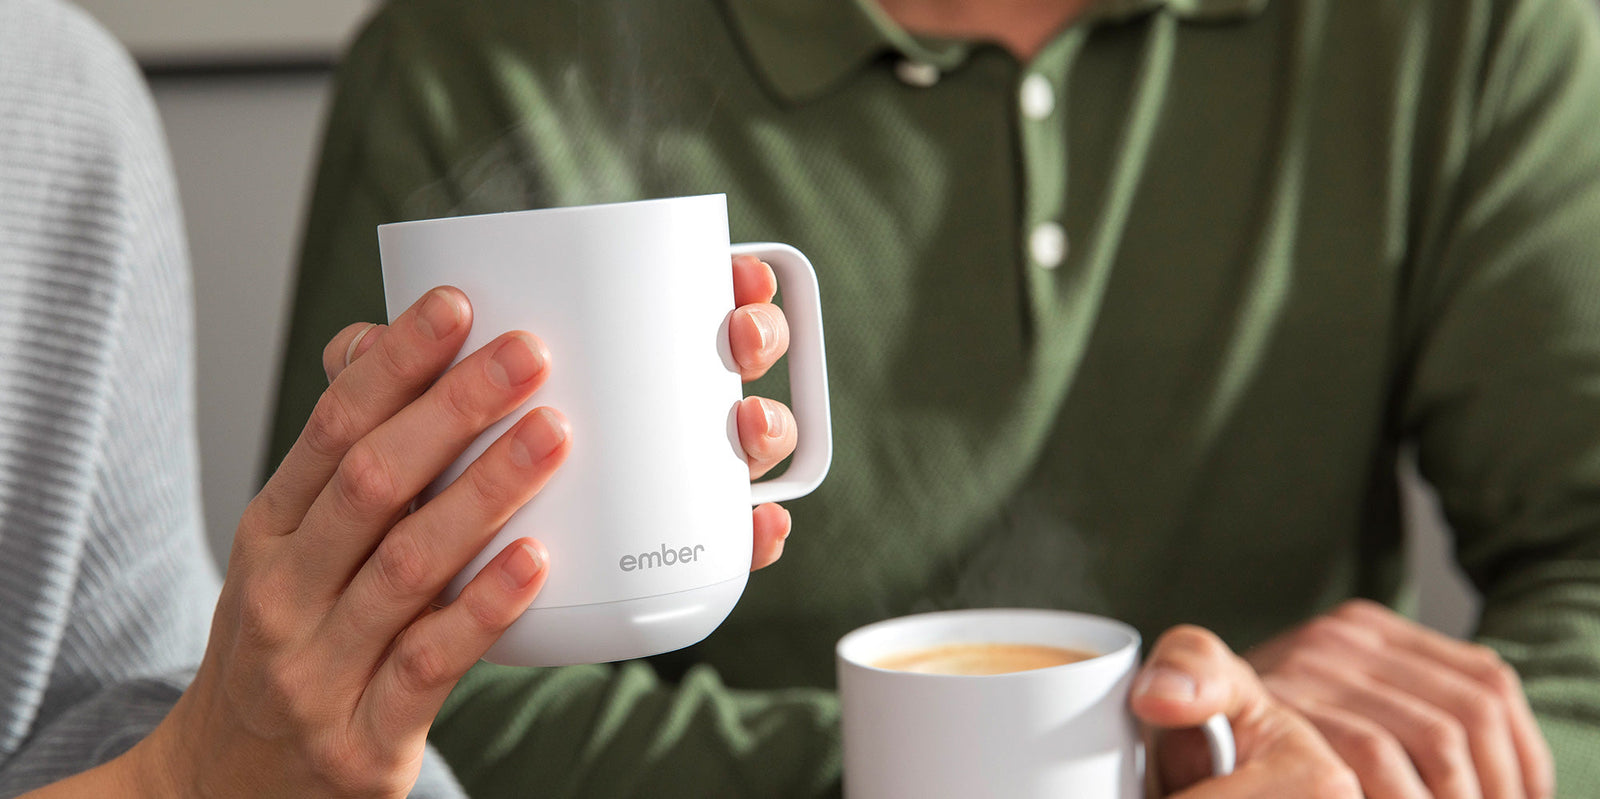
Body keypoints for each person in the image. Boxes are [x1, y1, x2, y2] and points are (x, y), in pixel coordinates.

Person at [269, 0, 1600, 796]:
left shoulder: (1466, 30)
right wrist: (1058, 763)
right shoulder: (484, 54)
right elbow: (361, 678)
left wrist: (1413, 752)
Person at [0, 0, 798, 795]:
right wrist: (184, 779)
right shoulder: (436, 63)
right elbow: (191, 760)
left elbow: (113, 693)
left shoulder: (61, 99)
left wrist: (278, 720)